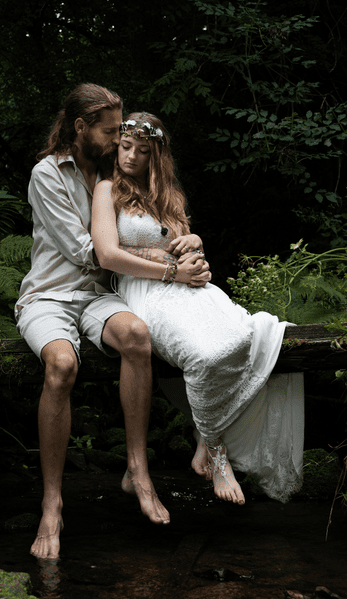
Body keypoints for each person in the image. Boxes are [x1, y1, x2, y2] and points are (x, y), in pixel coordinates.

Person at [14, 85, 209, 560]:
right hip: (50, 297)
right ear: (80, 128)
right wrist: (168, 262)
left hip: (98, 296)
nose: (117, 137)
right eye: (109, 130)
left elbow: (161, 215)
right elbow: (91, 251)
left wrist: (190, 242)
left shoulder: (110, 170)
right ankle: (52, 503)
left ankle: (136, 470)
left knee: (136, 335)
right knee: (61, 366)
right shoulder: (46, 174)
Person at [91, 112, 305, 506]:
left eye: (142, 151)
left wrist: (195, 245)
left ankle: (202, 438)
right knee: (206, 353)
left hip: (192, 289)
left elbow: (185, 244)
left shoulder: (169, 194)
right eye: (125, 148)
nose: (131, 157)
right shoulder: (107, 190)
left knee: (248, 335)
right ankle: (216, 450)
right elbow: (108, 255)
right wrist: (173, 269)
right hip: (146, 291)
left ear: (156, 156)